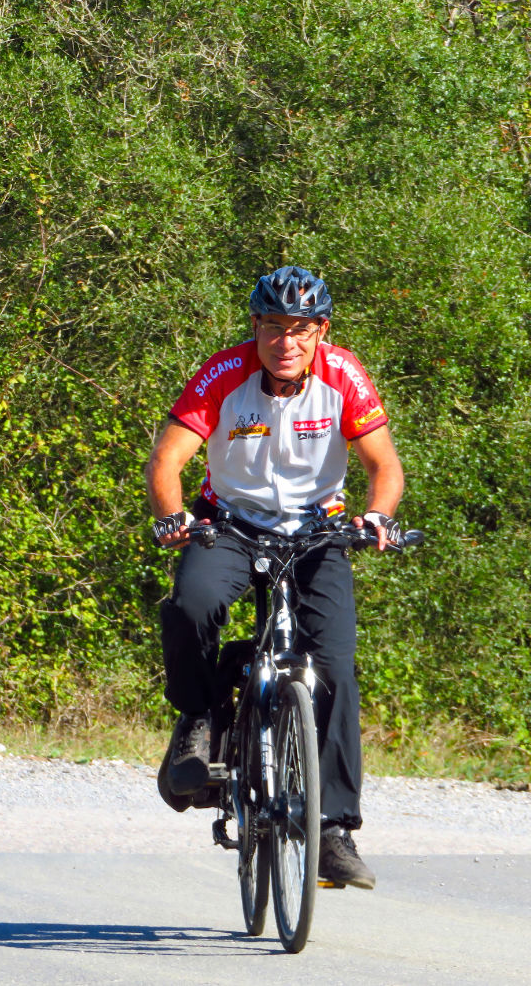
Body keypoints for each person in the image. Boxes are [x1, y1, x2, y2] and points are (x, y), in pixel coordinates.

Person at [145, 265, 404, 891]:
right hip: (229, 525)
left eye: (300, 329)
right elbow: (167, 459)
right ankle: (199, 717)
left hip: (317, 533)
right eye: (272, 327)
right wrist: (174, 516)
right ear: (255, 327)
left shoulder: (344, 375)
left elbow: (385, 466)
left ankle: (333, 830)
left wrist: (378, 515)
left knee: (334, 666)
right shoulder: (224, 373)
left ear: (321, 331)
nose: (286, 342)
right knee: (192, 605)